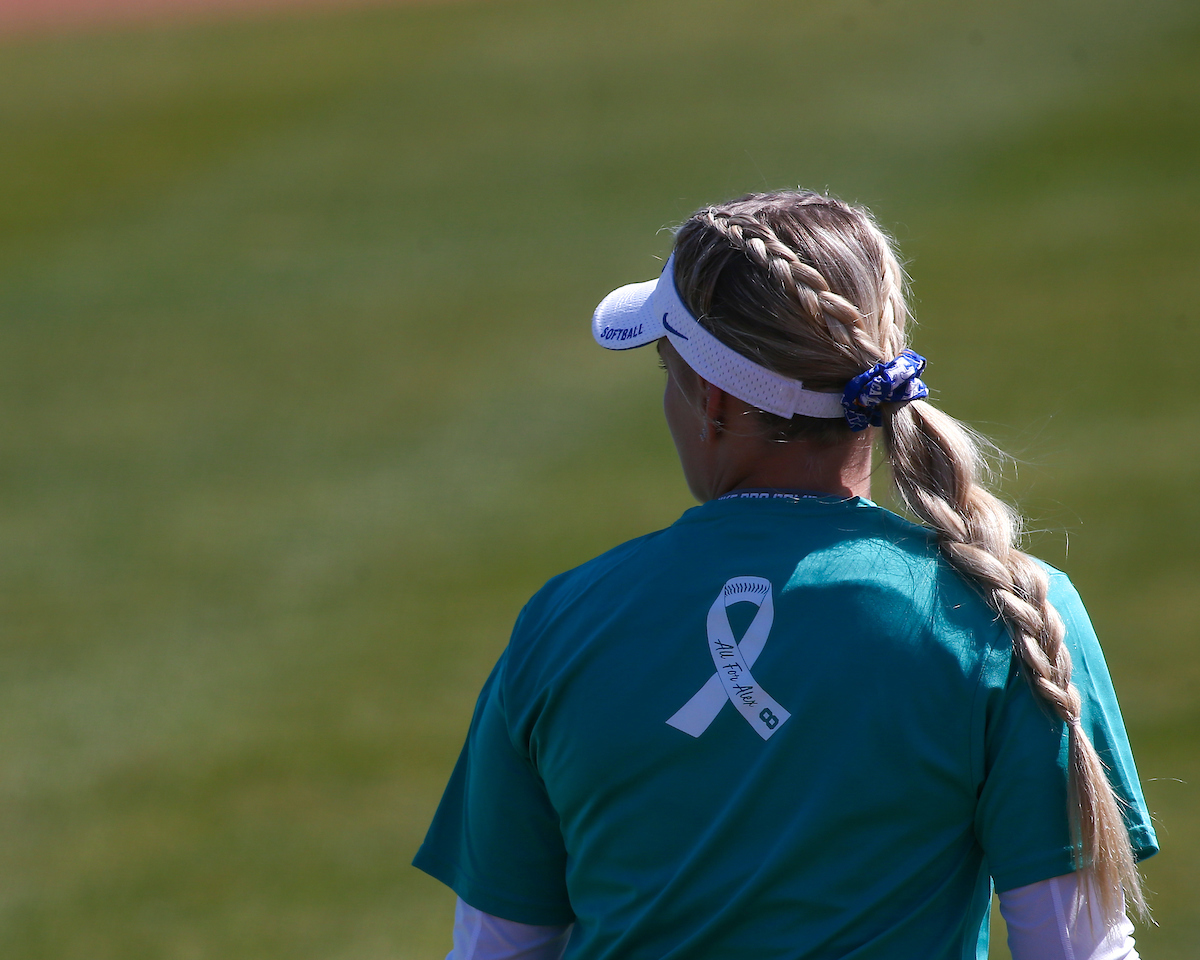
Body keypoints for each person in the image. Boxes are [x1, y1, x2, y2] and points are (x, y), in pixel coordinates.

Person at [412, 190, 1158, 959]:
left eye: (667, 370)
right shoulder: (1008, 615)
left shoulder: (564, 622)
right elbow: (1077, 950)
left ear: (712, 398)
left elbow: (497, 951)